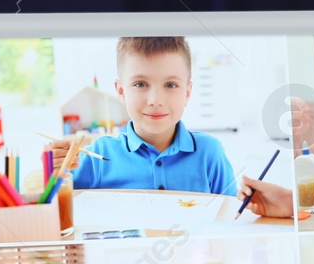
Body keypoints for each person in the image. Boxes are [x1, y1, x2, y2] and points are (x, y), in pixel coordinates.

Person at [51, 36, 236, 194]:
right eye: (140, 84)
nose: (155, 100)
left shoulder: (210, 153)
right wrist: (51, 171)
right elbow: (53, 206)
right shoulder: (97, 156)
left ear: (187, 93)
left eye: (171, 85)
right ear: (121, 92)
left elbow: (233, 220)